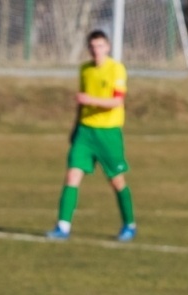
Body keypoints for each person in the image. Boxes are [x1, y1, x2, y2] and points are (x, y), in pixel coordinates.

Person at [45, 30, 136, 243]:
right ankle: (63, 226)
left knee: (116, 180)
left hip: (108, 132)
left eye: (100, 46)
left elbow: (117, 101)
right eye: (93, 47)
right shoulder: (85, 70)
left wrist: (90, 100)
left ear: (108, 47)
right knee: (72, 176)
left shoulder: (116, 69)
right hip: (85, 132)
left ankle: (129, 225)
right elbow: (81, 104)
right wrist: (75, 126)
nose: (97, 51)